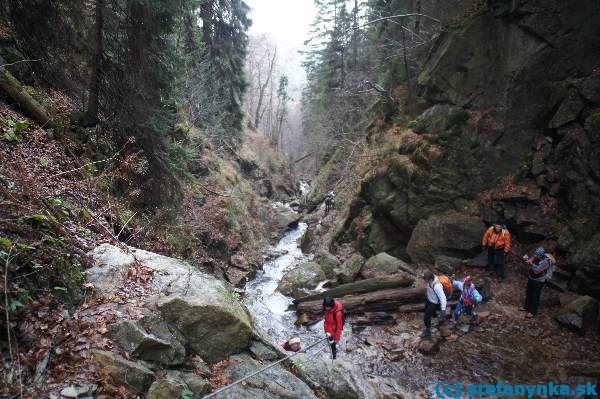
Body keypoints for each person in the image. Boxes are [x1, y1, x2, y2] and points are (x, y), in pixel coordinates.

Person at [521, 247, 555, 318]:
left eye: (537, 255)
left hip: (539, 280)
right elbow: (531, 260)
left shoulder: (547, 261)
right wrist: (527, 260)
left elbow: (537, 271)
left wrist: (531, 264)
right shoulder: (536, 256)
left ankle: (532, 312)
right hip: (531, 277)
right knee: (529, 292)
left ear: (541, 255)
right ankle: (526, 307)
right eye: (535, 254)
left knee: (535, 295)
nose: (535, 256)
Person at [421, 271, 447, 338]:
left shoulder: (437, 286)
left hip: (434, 302)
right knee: (427, 310)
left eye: (425, 279)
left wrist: (443, 311)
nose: (424, 280)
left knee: (426, 317)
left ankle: (428, 331)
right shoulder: (429, 278)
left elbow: (443, 298)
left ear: (430, 279)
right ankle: (436, 317)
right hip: (429, 299)